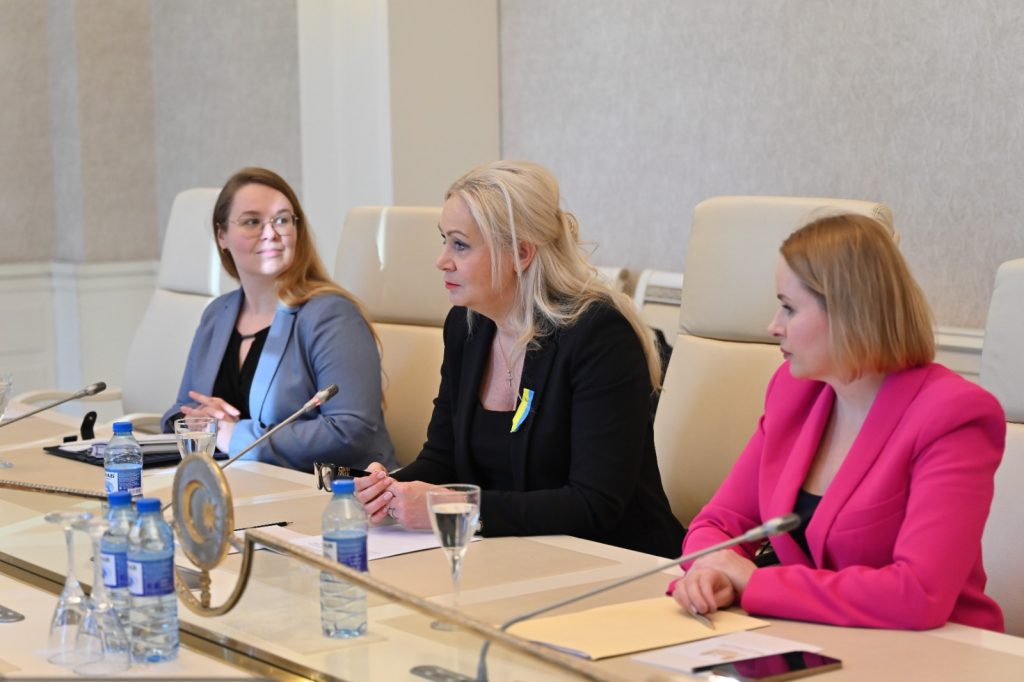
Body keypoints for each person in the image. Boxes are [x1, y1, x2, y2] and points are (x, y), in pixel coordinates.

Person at [670, 213, 1005, 631]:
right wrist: (710, 572)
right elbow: (719, 523)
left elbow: (919, 594)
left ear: (849, 313)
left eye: (789, 308)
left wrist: (756, 583)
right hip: (817, 637)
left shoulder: (953, 415)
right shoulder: (794, 393)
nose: (773, 326)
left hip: (939, 651)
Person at [355, 160, 684, 558]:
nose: (442, 260)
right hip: (511, 557)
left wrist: (456, 508)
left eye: (460, 245)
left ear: (521, 253)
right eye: (444, 240)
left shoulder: (599, 336)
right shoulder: (466, 326)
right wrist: (389, 489)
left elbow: (594, 504)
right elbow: (443, 458)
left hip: (615, 563)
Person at [162, 167, 397, 472]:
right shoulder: (217, 314)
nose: (270, 233)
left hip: (329, 490)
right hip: (236, 481)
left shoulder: (332, 316)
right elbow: (183, 407)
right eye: (252, 222)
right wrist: (195, 422)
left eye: (282, 220)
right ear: (222, 236)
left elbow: (350, 430)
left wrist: (236, 436)